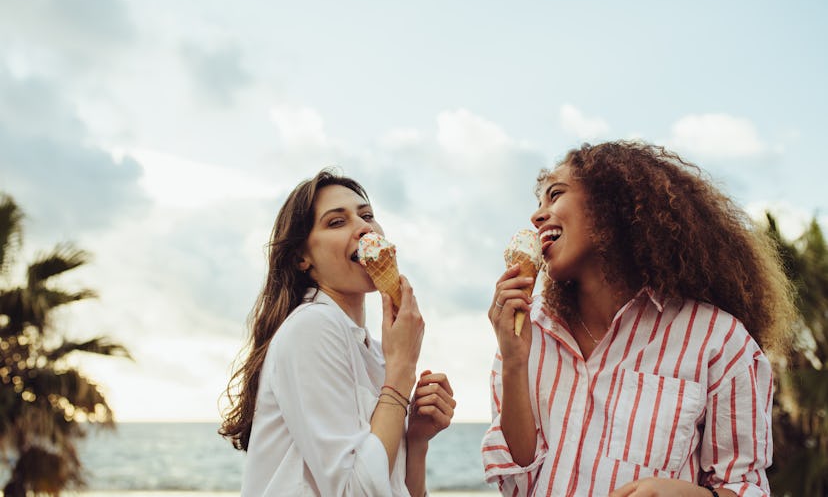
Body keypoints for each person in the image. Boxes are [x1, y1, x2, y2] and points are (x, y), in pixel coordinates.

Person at [482, 141, 795, 497]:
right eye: (538, 203)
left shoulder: (718, 341)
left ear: (611, 205)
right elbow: (518, 483)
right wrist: (514, 362)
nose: (537, 216)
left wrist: (687, 495)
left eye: (556, 195)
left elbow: (745, 487)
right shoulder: (522, 332)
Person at [221, 168, 456, 496]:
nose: (364, 227)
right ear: (302, 257)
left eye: (367, 215)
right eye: (336, 221)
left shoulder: (374, 351)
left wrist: (416, 441)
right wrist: (402, 369)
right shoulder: (311, 327)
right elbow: (354, 491)